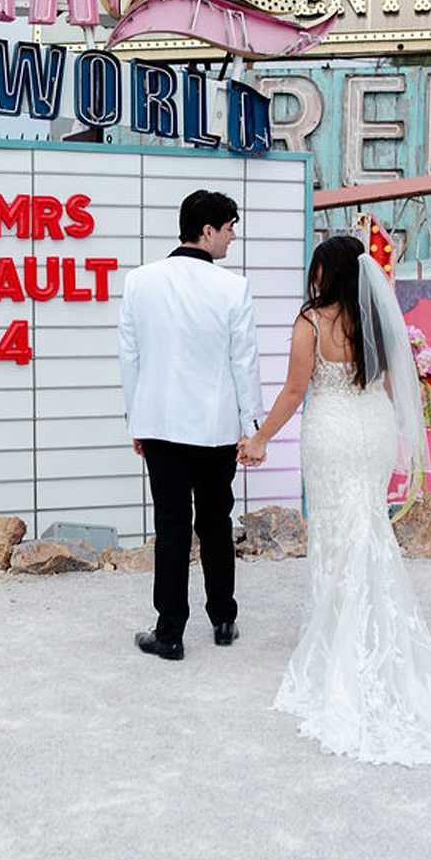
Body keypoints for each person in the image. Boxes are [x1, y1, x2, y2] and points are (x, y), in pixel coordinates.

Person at [238, 235, 431, 764]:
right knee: (368, 524)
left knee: (340, 528)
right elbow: (388, 387)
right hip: (373, 429)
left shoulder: (311, 321)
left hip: (333, 430)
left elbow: (295, 391)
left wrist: (261, 437)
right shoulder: (379, 321)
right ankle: (373, 627)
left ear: (326, 274)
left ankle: (339, 630)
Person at [118, 190, 264, 661]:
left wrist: (135, 422)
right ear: (207, 230)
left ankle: (170, 633)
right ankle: (223, 619)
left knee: (172, 526)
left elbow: (130, 359)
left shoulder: (139, 283)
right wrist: (252, 427)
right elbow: (244, 363)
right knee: (216, 522)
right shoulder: (233, 288)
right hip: (216, 428)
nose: (233, 237)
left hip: (159, 425)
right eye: (229, 228)